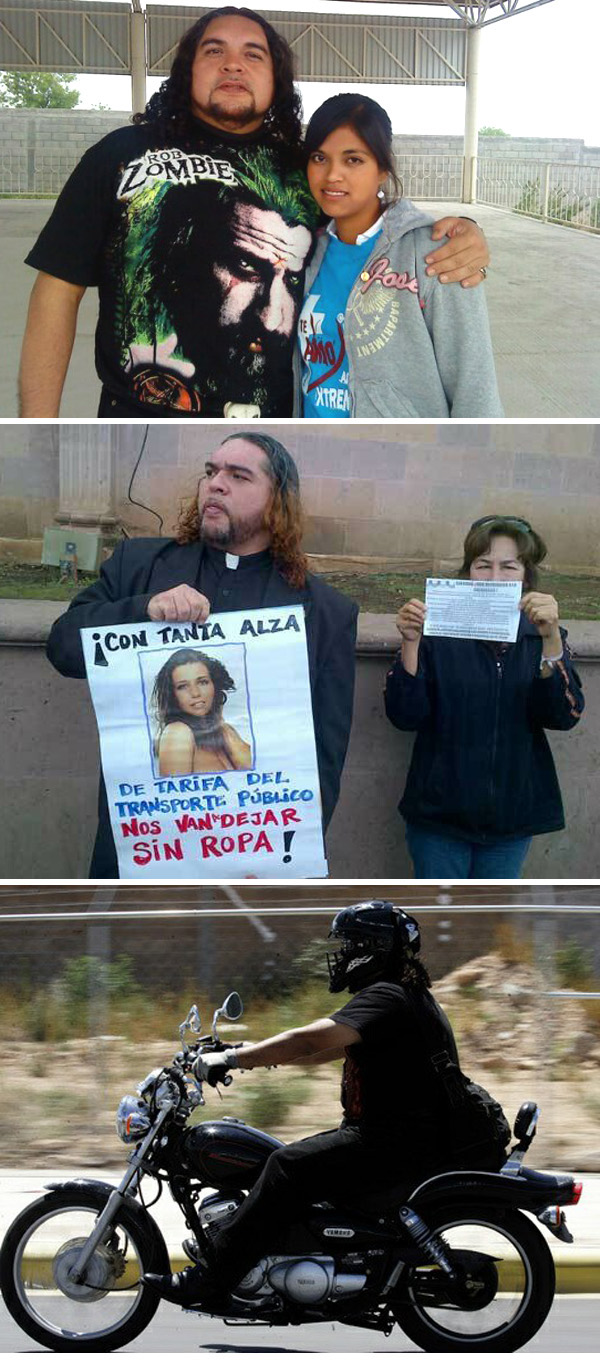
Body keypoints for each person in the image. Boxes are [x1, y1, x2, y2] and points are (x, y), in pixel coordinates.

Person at [20, 7, 491, 418]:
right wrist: (39, 426)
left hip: (279, 421)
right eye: (213, 51)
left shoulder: (304, 168)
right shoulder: (120, 156)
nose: (232, 64)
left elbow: (370, 222)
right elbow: (57, 291)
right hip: (139, 414)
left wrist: (461, 232)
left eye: (253, 54)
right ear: (188, 69)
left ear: (276, 79)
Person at [142, 899, 508, 1307]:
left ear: (375, 949)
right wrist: (242, 1052)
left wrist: (230, 1060)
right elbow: (318, 1052)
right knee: (284, 1159)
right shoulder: (405, 996)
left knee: (285, 1167)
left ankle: (214, 1278)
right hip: (401, 1138)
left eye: (351, 945)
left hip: (393, 1143)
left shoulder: (387, 997)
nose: (342, 955)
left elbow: (309, 1040)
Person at [46, 431, 358, 876]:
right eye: (211, 471)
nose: (215, 483)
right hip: (145, 855)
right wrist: (142, 611)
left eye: (238, 475)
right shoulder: (140, 567)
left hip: (255, 859)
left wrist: (287, 856)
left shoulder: (325, 613)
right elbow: (61, 646)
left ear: (277, 502)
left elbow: (325, 754)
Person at [384, 515, 585, 879]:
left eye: (508, 567)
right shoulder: (438, 631)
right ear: (468, 572)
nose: (495, 578)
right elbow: (405, 715)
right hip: (439, 817)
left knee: (490, 925)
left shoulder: (540, 635)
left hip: (511, 817)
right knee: (442, 924)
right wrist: (411, 644)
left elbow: (563, 716)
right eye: (483, 565)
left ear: (526, 575)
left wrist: (551, 639)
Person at [296, 94, 503, 417]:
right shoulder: (306, 252)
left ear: (382, 169)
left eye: (353, 160)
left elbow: (475, 387)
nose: (332, 174)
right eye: (319, 158)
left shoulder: (435, 254)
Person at [151, 647, 252, 775]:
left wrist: (220, 723)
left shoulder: (224, 731)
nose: (195, 693)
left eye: (202, 682)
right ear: (173, 694)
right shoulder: (177, 732)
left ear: (214, 685)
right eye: (182, 686)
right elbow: (174, 794)